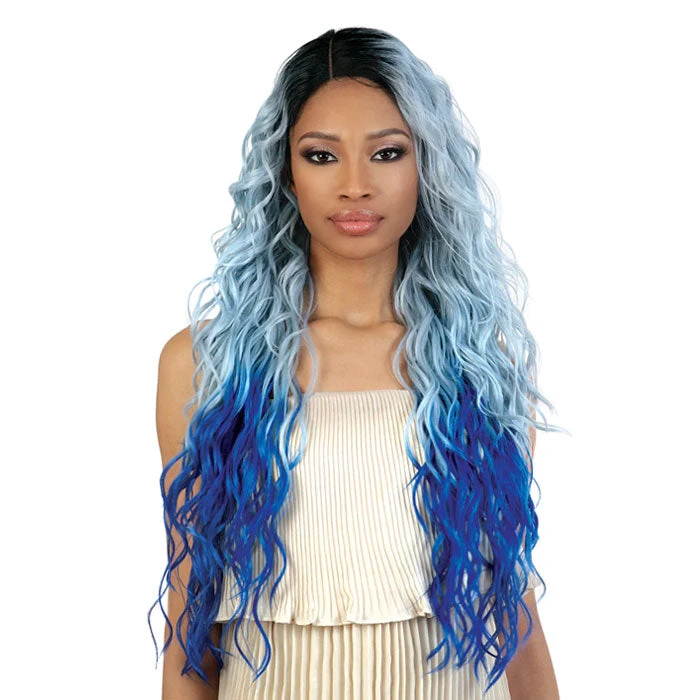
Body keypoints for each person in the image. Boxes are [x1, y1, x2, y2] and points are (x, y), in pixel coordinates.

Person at [149, 26, 563, 700]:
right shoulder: (206, 363)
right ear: (285, 173)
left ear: (427, 165)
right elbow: (190, 612)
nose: (355, 186)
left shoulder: (482, 363)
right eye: (321, 155)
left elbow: (511, 598)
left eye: (387, 152)